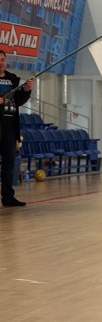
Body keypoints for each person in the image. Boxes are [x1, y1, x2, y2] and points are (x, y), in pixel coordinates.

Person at [0, 50, 34, 207]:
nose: (0, 62)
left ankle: (8, 197)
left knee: (9, 163)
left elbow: (18, 101)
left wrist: (26, 90)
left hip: (10, 127)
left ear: (6, 61)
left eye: (2, 59)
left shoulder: (13, 79)